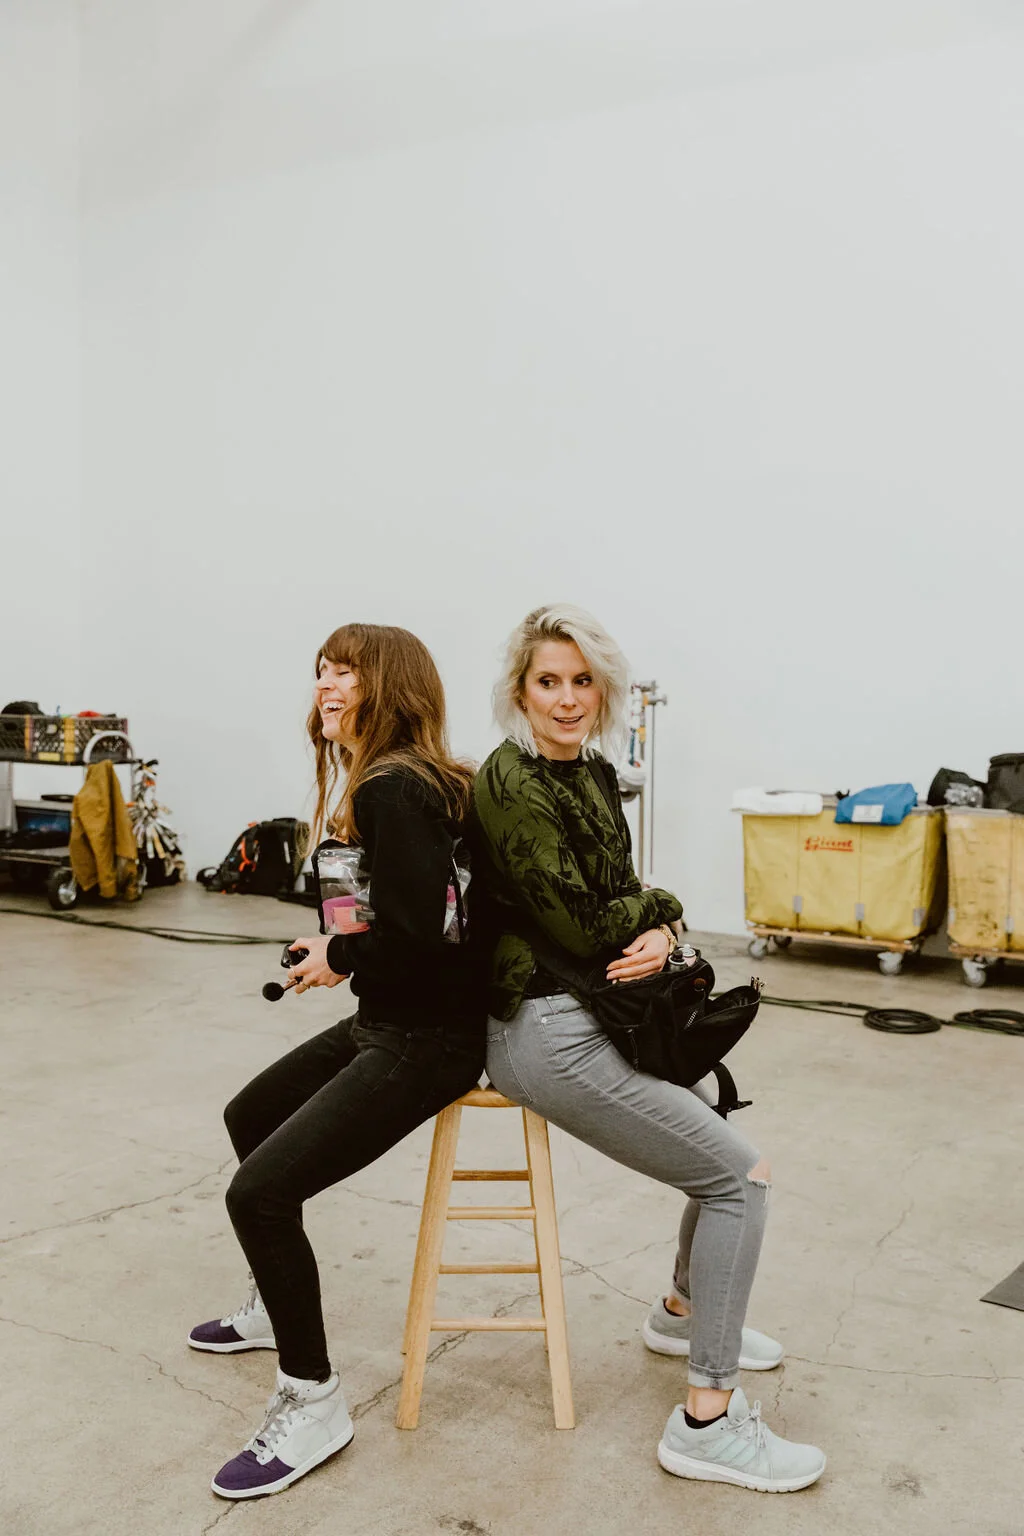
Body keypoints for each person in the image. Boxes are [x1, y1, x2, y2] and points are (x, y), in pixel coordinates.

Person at [473, 603, 825, 1494]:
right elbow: (587, 921)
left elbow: (616, 897)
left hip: (596, 1013)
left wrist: (658, 932)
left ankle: (681, 1313)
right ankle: (708, 1417)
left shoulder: (591, 776)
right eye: (548, 682)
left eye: (581, 681)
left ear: (606, 688)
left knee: (713, 1131)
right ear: (520, 690)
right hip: (542, 1032)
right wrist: (665, 910)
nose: (565, 699)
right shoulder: (509, 783)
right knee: (741, 1178)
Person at [189, 623, 486, 1500]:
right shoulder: (391, 782)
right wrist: (333, 942)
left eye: (346, 671)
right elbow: (397, 914)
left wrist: (342, 958)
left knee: (259, 1192)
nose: (326, 683)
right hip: (389, 1020)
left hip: (427, 1041)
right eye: (321, 668)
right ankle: (271, 1301)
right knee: (250, 1116)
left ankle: (312, 1398)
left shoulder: (396, 787)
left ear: (385, 687)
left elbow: (428, 941)